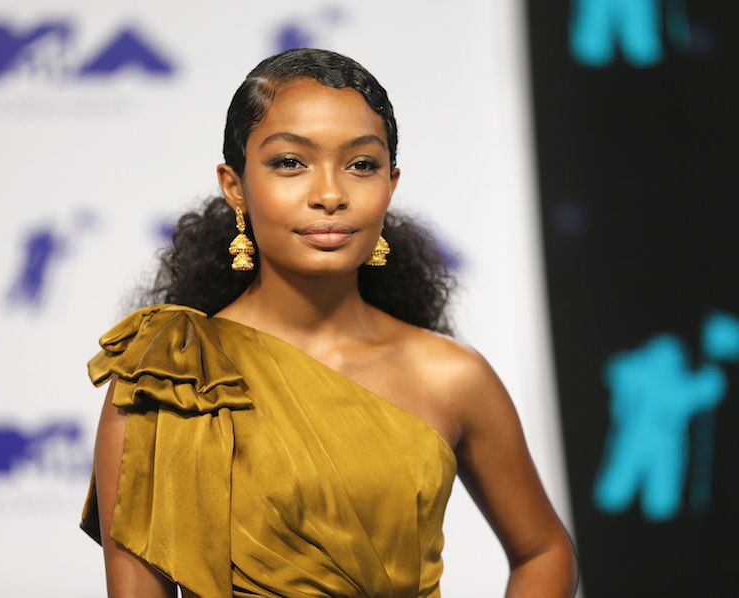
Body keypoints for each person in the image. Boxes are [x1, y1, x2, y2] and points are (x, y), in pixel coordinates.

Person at [80, 47, 579, 597]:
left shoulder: (451, 376)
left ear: (390, 183)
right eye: (290, 162)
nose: (330, 195)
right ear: (235, 185)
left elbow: (543, 551)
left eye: (361, 165)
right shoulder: (170, 378)